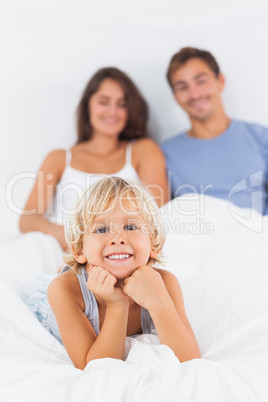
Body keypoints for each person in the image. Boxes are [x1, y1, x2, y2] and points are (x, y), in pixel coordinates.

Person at [45, 177, 200, 369]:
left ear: (154, 244)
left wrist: (158, 301)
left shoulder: (166, 284)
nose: (118, 239)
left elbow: (190, 360)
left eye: (130, 227)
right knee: (52, 278)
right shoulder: (65, 290)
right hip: (52, 299)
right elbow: (94, 367)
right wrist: (117, 305)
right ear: (79, 250)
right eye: (101, 229)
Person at [19, 67, 168, 251]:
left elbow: (158, 215)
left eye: (122, 104)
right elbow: (27, 219)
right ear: (88, 105)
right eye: (104, 102)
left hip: (122, 253)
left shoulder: (142, 150)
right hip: (65, 252)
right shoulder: (59, 158)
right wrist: (74, 239)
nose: (113, 111)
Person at [161, 47, 268, 214]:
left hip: (256, 236)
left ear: (220, 81)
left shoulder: (260, 137)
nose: (194, 94)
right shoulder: (164, 153)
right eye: (182, 87)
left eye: (201, 81)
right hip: (194, 237)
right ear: (175, 96)